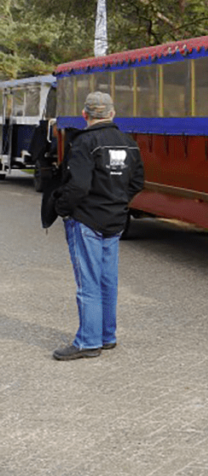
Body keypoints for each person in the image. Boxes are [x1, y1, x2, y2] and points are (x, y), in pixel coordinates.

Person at [52, 92, 144, 361]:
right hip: (115, 220)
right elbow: (137, 182)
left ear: (85, 114)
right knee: (107, 280)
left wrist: (63, 209)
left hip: (87, 221)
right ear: (112, 114)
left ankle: (88, 342)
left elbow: (78, 186)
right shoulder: (129, 143)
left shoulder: (84, 142)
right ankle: (106, 335)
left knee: (88, 283)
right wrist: (118, 202)